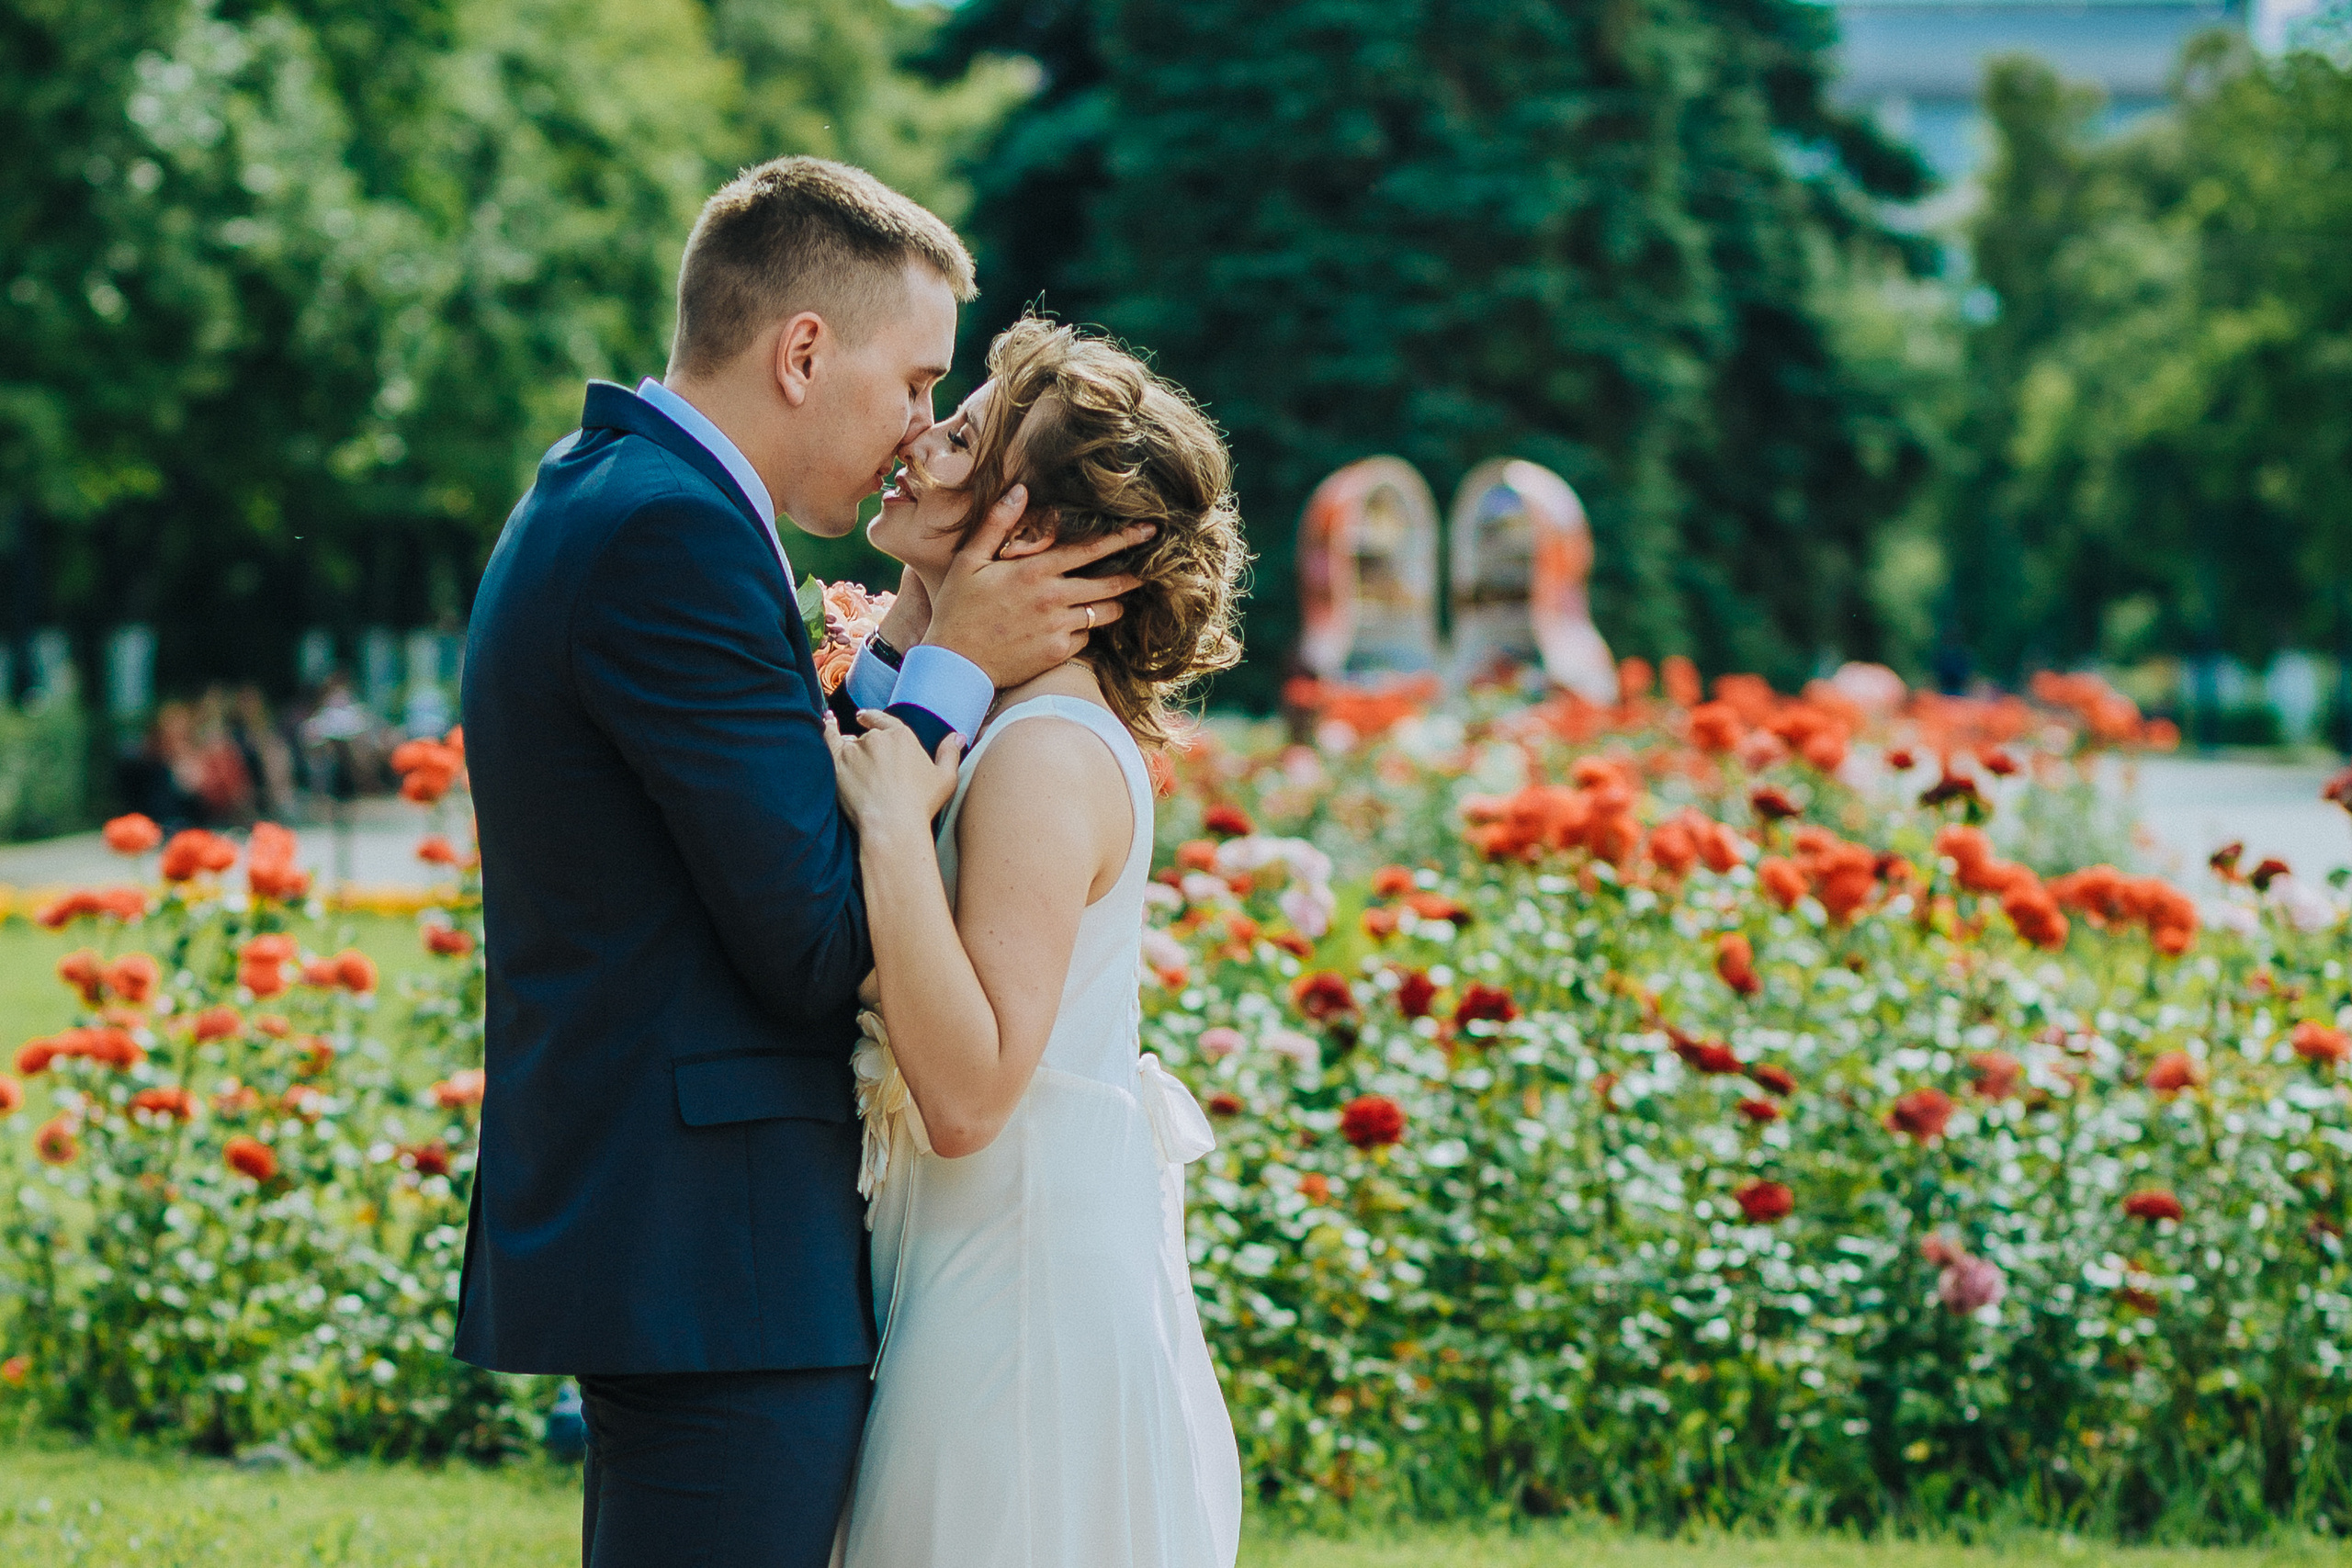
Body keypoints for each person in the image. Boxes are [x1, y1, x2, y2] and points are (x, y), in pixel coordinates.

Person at [452, 157, 1150, 1568]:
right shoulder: (670, 536)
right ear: (803, 351)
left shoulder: (630, 495)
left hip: (703, 1243)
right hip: (718, 1255)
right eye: (914, 383)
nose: (915, 430)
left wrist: (909, 642)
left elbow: (768, 798)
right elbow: (825, 932)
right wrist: (951, 667)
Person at [828, 316, 1249, 1567]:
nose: (917, 439)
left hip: (1016, 1314)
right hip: (973, 1271)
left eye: (957, 437)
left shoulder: (1045, 755)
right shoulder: (1007, 722)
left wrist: (896, 828)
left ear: (1037, 533)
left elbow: (970, 1096)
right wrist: (917, 624)